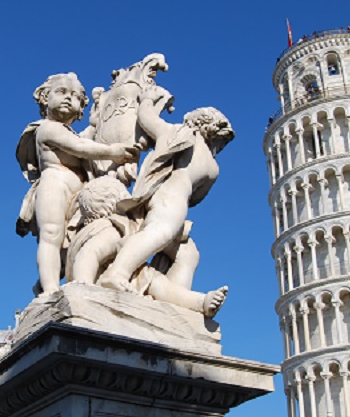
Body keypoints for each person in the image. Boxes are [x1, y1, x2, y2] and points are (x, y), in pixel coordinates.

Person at [99, 87, 234, 294]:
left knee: (187, 254)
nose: (221, 146)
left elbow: (148, 118)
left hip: (167, 198)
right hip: (173, 200)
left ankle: (174, 299)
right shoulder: (199, 152)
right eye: (222, 141)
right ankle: (116, 273)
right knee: (159, 233)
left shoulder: (179, 135)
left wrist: (147, 101)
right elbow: (197, 197)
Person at [15, 73, 138, 296]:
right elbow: (79, 147)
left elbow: (86, 138)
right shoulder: (46, 128)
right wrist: (114, 152)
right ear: (45, 97)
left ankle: (44, 283)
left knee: (67, 246)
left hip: (78, 193)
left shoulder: (70, 131)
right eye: (61, 92)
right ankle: (50, 290)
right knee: (51, 236)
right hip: (54, 186)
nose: (67, 98)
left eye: (74, 96)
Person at [67, 176, 226, 317]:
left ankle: (200, 302)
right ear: (116, 201)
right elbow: (89, 253)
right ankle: (200, 302)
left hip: (130, 278)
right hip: (109, 283)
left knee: (158, 282)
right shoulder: (110, 229)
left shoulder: (108, 229)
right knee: (158, 284)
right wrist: (85, 286)